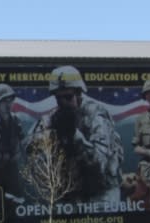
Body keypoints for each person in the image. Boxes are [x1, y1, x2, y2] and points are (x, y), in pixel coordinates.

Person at [28, 65, 123, 201]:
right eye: (58, 98)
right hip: (73, 191)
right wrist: (48, 135)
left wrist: (75, 136)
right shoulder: (54, 117)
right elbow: (30, 151)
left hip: (103, 191)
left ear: (79, 94)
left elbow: (100, 164)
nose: (63, 103)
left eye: (68, 97)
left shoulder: (96, 115)